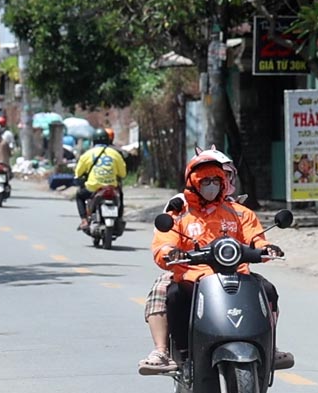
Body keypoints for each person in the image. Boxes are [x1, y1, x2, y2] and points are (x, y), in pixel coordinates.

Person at [138, 151, 293, 374]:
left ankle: (268, 345)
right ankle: (166, 352)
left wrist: (265, 249)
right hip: (193, 276)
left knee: (267, 290)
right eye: (206, 181)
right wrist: (170, 253)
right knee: (170, 295)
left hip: (236, 275)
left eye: (216, 180)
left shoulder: (239, 213)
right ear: (194, 183)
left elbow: (256, 240)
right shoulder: (179, 212)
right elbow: (164, 243)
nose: (212, 186)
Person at [73, 128, 127, 230]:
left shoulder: (87, 154)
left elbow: (78, 173)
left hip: (94, 187)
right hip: (111, 187)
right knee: (120, 196)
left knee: (79, 195)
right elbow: (123, 174)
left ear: (94, 140)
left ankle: (84, 220)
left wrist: (78, 178)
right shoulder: (115, 154)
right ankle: (119, 218)